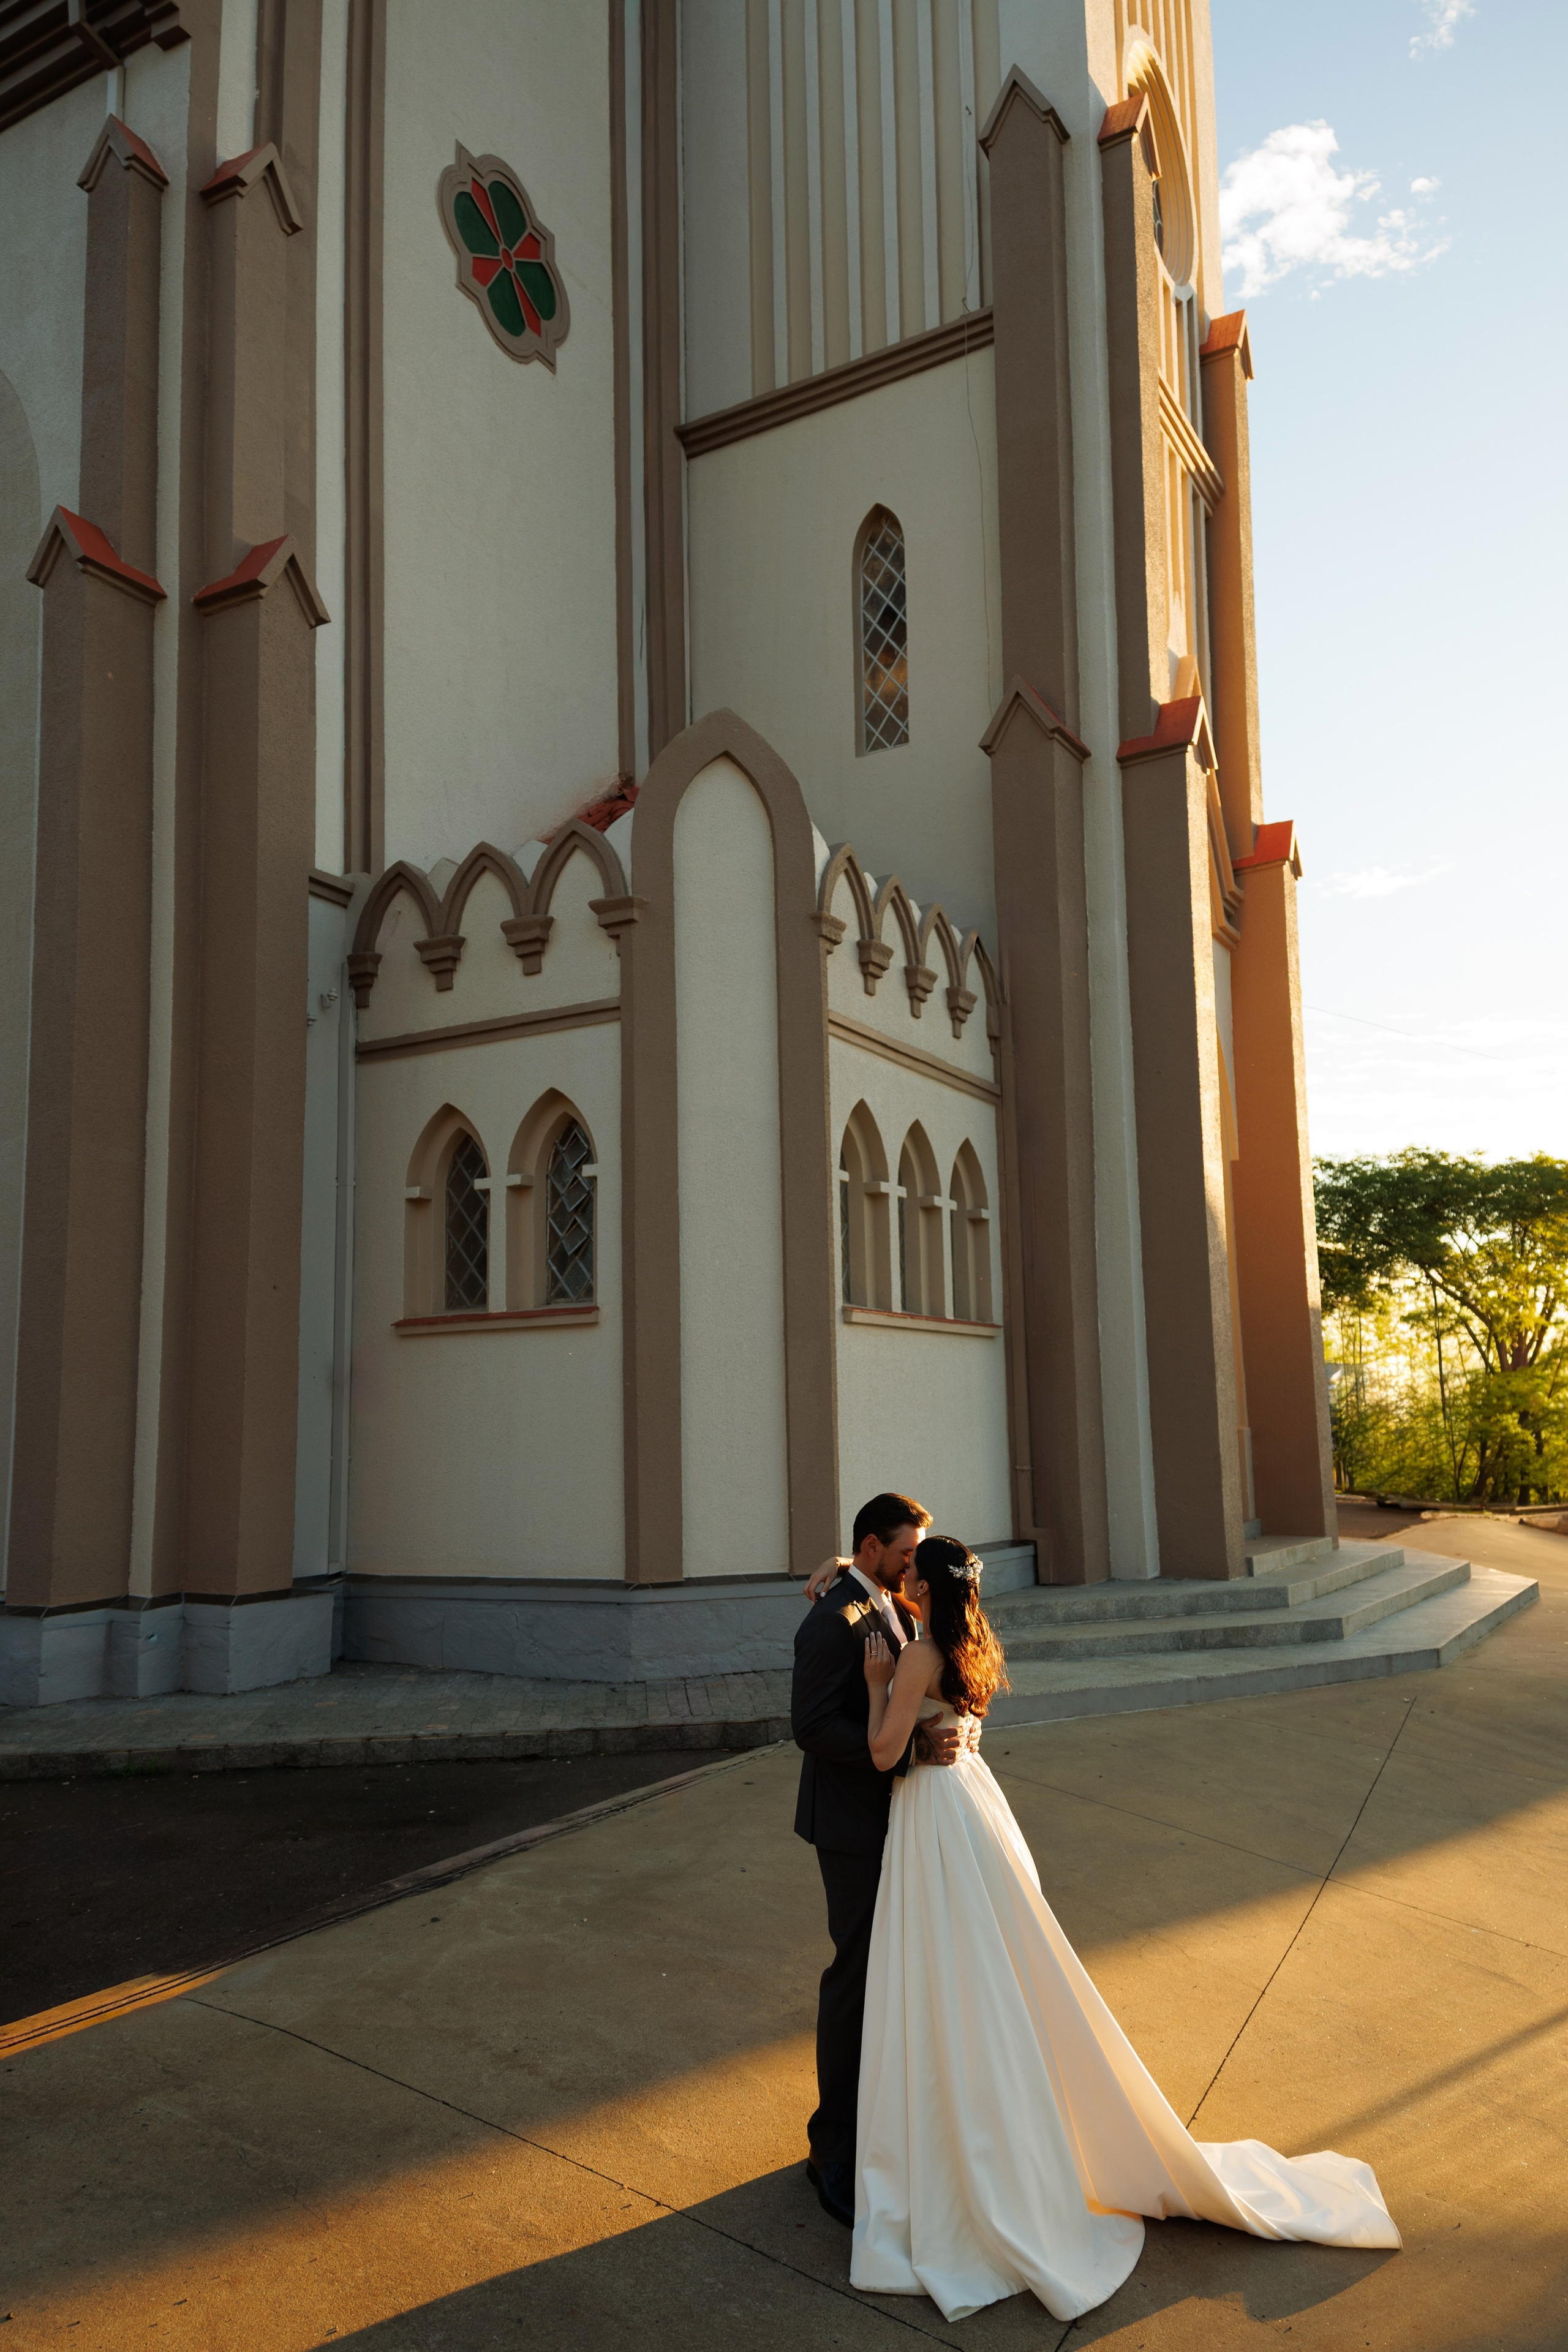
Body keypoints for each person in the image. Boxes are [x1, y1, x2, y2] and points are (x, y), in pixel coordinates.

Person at [846, 1532, 1401, 2323]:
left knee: (947, 1970)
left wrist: (877, 1685)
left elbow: (881, 1754)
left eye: (910, 1569)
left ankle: (963, 2134)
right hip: (973, 1804)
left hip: (935, 1818)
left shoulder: (915, 1656)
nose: (902, 1576)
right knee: (992, 1966)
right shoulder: (971, 1645)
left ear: (928, 1587)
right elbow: (961, 1728)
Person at [790, 1491, 960, 2229]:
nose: (912, 1564)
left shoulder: (890, 1598)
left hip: (898, 1819)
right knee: (855, 1981)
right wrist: (909, 1746)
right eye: (904, 1552)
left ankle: (879, 2125)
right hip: (851, 1828)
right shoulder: (830, 1621)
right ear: (870, 1549)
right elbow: (811, 1727)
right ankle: (829, 2151)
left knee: (895, 1974)